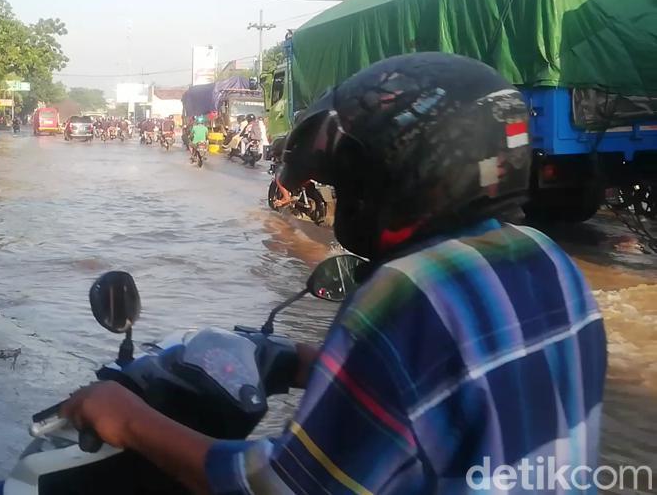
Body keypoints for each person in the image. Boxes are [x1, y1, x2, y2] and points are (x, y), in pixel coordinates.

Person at [57, 53, 606, 494]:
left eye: (347, 185)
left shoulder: (408, 290)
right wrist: (302, 360)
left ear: (394, 181)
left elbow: (283, 484)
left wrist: (126, 418)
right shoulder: (546, 258)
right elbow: (460, 383)